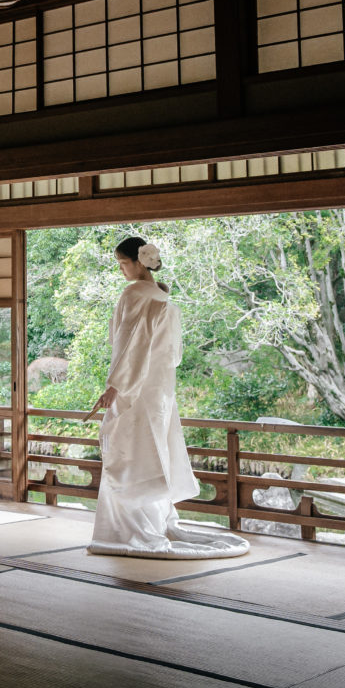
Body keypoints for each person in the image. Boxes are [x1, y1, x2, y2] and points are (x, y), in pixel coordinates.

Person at [87, 235, 249, 560]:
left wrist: (115, 387)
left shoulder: (134, 294)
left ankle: (128, 527)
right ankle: (154, 518)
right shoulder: (163, 296)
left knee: (129, 452)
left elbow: (129, 345)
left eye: (123, 264)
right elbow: (170, 354)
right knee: (153, 449)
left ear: (137, 263)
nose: (121, 271)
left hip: (137, 389)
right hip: (160, 390)